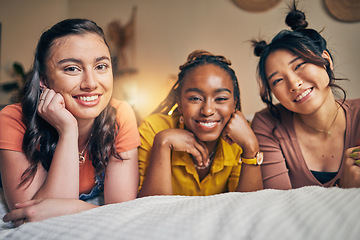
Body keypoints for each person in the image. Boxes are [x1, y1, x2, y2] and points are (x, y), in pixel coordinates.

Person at [0, 18, 140, 227]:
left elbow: (122, 209)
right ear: (44, 80)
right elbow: (29, 219)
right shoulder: (13, 119)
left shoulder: (120, 115)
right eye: (72, 69)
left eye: (101, 66)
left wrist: (71, 208)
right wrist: (68, 131)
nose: (91, 83)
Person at [251, 4, 360, 189]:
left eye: (299, 65)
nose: (294, 84)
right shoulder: (267, 124)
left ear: (326, 60)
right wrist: (344, 188)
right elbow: (277, 205)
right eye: (277, 80)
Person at [138, 50, 263, 197]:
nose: (208, 110)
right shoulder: (153, 128)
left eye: (221, 98)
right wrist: (163, 143)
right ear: (179, 102)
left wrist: (250, 147)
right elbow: (150, 210)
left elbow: (249, 208)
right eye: (196, 98)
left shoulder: (239, 137)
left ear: (234, 103)